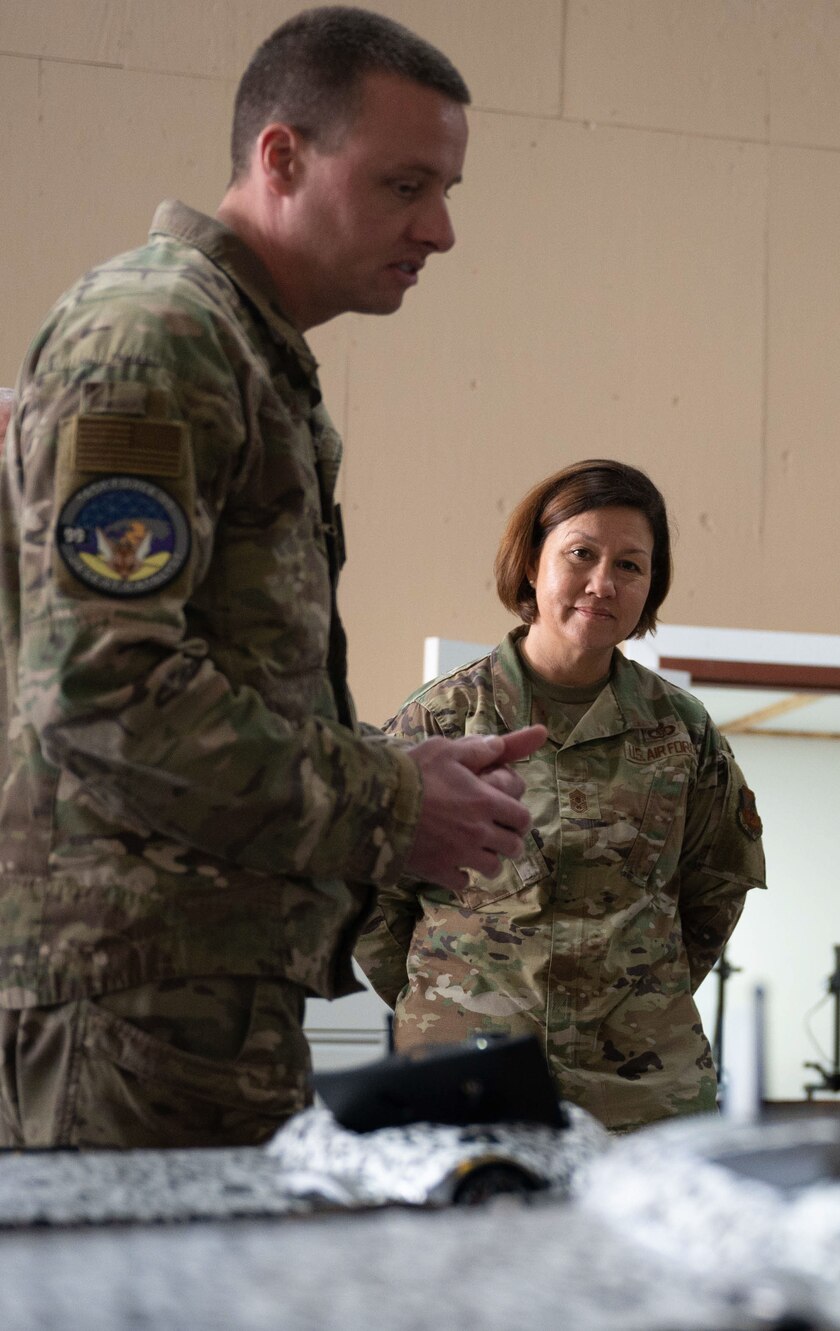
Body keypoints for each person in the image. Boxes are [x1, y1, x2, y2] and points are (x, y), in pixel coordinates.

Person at [0, 7, 544, 1151]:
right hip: (128, 1011)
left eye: (447, 190)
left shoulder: (242, 352)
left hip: (197, 1001)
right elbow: (105, 693)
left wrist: (392, 766)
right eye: (405, 185)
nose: (440, 229)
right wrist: (395, 804)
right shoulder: (156, 336)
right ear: (281, 156)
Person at [355, 460, 765, 1130]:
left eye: (631, 565)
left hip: (641, 1092)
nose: (603, 583)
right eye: (581, 553)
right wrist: (446, 1001)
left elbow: (717, 884)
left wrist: (640, 996)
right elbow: (373, 895)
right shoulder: (444, 721)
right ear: (531, 564)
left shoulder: (682, 731)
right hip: (467, 1078)